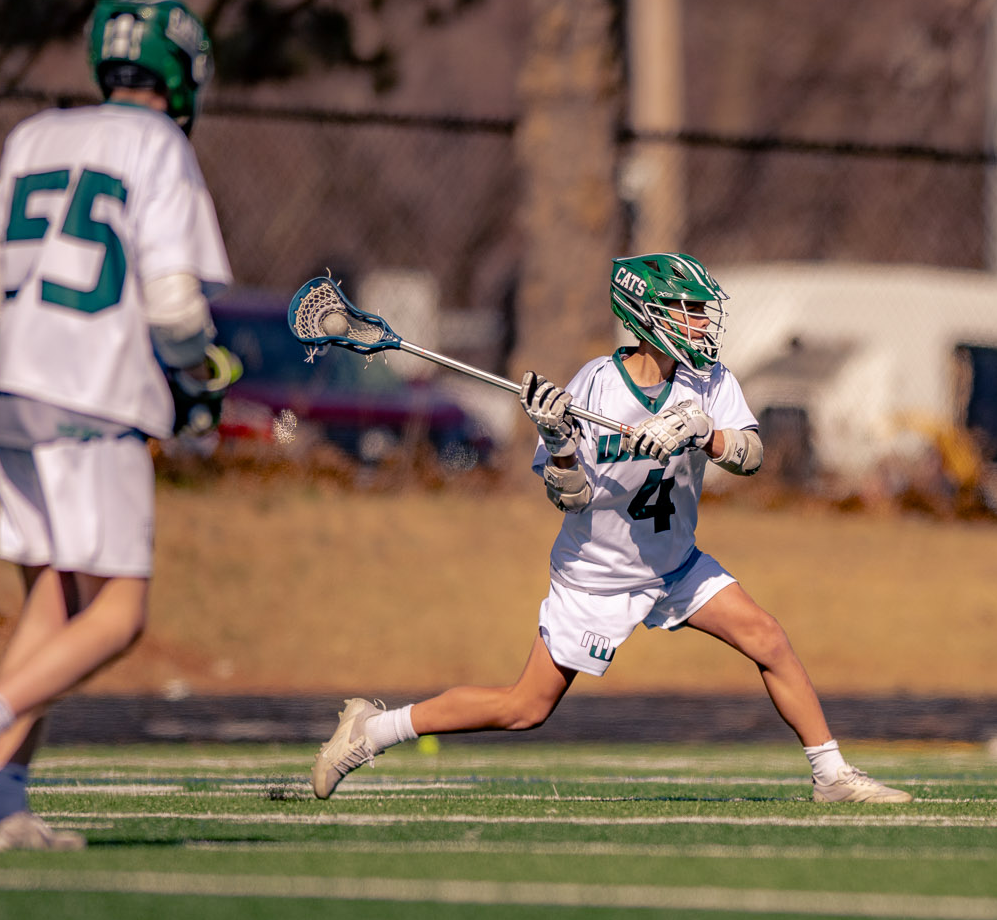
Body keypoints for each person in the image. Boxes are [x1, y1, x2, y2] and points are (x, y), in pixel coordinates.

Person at [311, 252, 911, 805]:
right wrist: (558, 441)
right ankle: (374, 729)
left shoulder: (708, 381)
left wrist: (703, 432)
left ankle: (830, 775)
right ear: (647, 316)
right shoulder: (594, 386)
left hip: (674, 563)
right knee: (525, 708)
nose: (703, 322)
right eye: (688, 310)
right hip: (596, 575)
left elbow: (752, 456)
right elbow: (570, 498)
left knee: (767, 637)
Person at [0, 0, 234, 849]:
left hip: (11, 388)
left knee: (52, 603)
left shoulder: (35, 135)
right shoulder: (157, 144)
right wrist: (198, 375)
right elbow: (174, 306)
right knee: (118, 613)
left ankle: (3, 801)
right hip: (94, 394)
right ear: (182, 72)